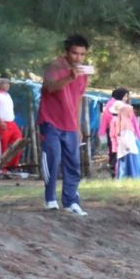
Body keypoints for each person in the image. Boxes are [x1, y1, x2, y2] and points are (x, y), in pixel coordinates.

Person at [40, 34, 92, 216]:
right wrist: (70, 76)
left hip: (70, 124)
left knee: (73, 163)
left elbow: (77, 99)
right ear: (66, 52)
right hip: (51, 121)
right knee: (53, 160)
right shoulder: (55, 66)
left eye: (82, 54)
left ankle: (71, 201)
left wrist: (77, 126)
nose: (78, 58)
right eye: (75, 53)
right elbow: (50, 87)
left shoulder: (83, 73)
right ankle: (50, 199)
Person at [0, 80, 24, 173]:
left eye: (8, 83)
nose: (8, 85)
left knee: (19, 142)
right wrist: (0, 121)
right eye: (5, 83)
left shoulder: (7, 95)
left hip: (11, 122)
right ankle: (1, 168)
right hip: (1, 122)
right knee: (2, 145)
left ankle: (13, 166)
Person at [111, 89, 140, 179]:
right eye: (125, 96)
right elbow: (123, 135)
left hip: (125, 145)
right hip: (127, 147)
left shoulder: (121, 119)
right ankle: (129, 175)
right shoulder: (123, 121)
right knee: (126, 160)